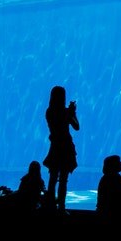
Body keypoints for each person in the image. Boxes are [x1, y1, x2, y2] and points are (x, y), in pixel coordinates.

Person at [43, 86, 79, 214]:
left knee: (52, 179)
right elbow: (77, 126)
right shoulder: (66, 112)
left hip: (55, 146)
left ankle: (50, 207)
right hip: (66, 147)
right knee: (63, 180)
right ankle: (61, 208)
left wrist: (69, 112)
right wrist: (73, 112)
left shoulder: (49, 111)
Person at [96, 155, 121, 220]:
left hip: (107, 213)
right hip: (114, 214)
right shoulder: (115, 179)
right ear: (113, 165)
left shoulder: (108, 178)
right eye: (118, 162)